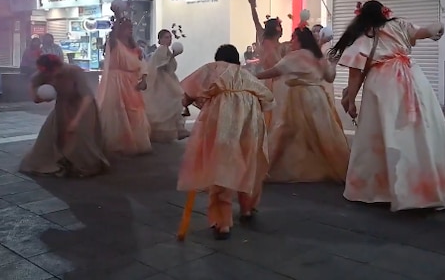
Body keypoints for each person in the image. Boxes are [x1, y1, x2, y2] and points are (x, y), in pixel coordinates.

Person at [329, 0, 445, 211]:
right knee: (421, 131)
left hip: (383, 85)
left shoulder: (362, 38)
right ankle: (428, 185)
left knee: (383, 134)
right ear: (384, 13)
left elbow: (356, 76)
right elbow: (425, 31)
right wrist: (438, 27)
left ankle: (382, 188)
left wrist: (350, 103)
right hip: (414, 79)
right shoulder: (400, 25)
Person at [177, 44, 275, 240]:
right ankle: (247, 208)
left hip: (223, 121)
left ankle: (222, 223)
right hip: (251, 121)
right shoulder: (245, 74)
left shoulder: (213, 68)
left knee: (221, 166)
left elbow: (188, 91)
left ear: (218, 57)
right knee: (248, 163)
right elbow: (268, 98)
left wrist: (187, 103)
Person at [257, 26, 350, 183]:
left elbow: (275, 71)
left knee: (286, 132)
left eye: (293, 38)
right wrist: (333, 63)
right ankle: (338, 167)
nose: (291, 41)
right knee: (323, 133)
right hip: (319, 98)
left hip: (300, 97)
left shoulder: (295, 56)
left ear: (299, 40)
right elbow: (330, 77)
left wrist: (253, 76)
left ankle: (269, 168)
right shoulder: (318, 57)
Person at [20, 54, 109, 178]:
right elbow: (33, 82)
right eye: (48, 73)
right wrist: (37, 96)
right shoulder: (44, 73)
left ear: (58, 66)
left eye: (53, 71)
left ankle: (84, 165)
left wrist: (76, 120)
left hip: (82, 106)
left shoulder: (74, 71)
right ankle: (62, 162)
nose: (51, 75)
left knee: (81, 136)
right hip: (63, 105)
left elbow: (87, 96)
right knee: (52, 135)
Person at [96, 16, 152, 156]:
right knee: (118, 112)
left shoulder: (135, 48)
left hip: (131, 83)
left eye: (131, 27)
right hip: (116, 82)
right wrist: (118, 16)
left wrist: (144, 79)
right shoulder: (114, 43)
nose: (130, 30)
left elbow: (143, 64)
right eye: (127, 27)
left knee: (135, 112)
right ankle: (119, 143)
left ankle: (137, 142)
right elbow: (113, 37)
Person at [248, 0, 290, 130]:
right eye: (279, 27)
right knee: (269, 110)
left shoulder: (283, 45)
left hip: (279, 81)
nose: (280, 29)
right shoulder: (264, 39)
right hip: (267, 79)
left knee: (278, 111)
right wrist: (252, 6)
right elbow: (256, 20)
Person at [143, 29, 188, 142]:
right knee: (174, 101)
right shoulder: (161, 50)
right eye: (166, 37)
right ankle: (179, 129)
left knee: (169, 104)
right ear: (160, 39)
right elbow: (161, 65)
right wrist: (173, 56)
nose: (169, 39)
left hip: (167, 80)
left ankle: (177, 129)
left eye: (170, 37)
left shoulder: (165, 50)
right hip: (162, 82)